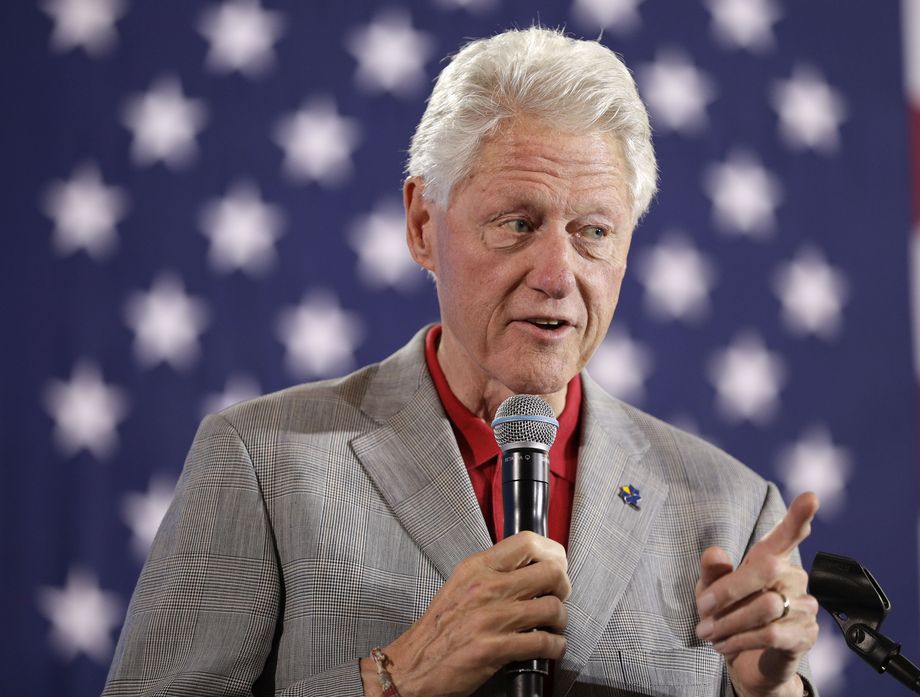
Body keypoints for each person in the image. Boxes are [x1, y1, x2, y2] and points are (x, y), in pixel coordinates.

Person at [103, 27, 820, 697]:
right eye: (518, 223)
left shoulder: (730, 506)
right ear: (422, 225)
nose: (556, 273)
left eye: (593, 231)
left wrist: (773, 690)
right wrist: (399, 673)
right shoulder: (263, 461)